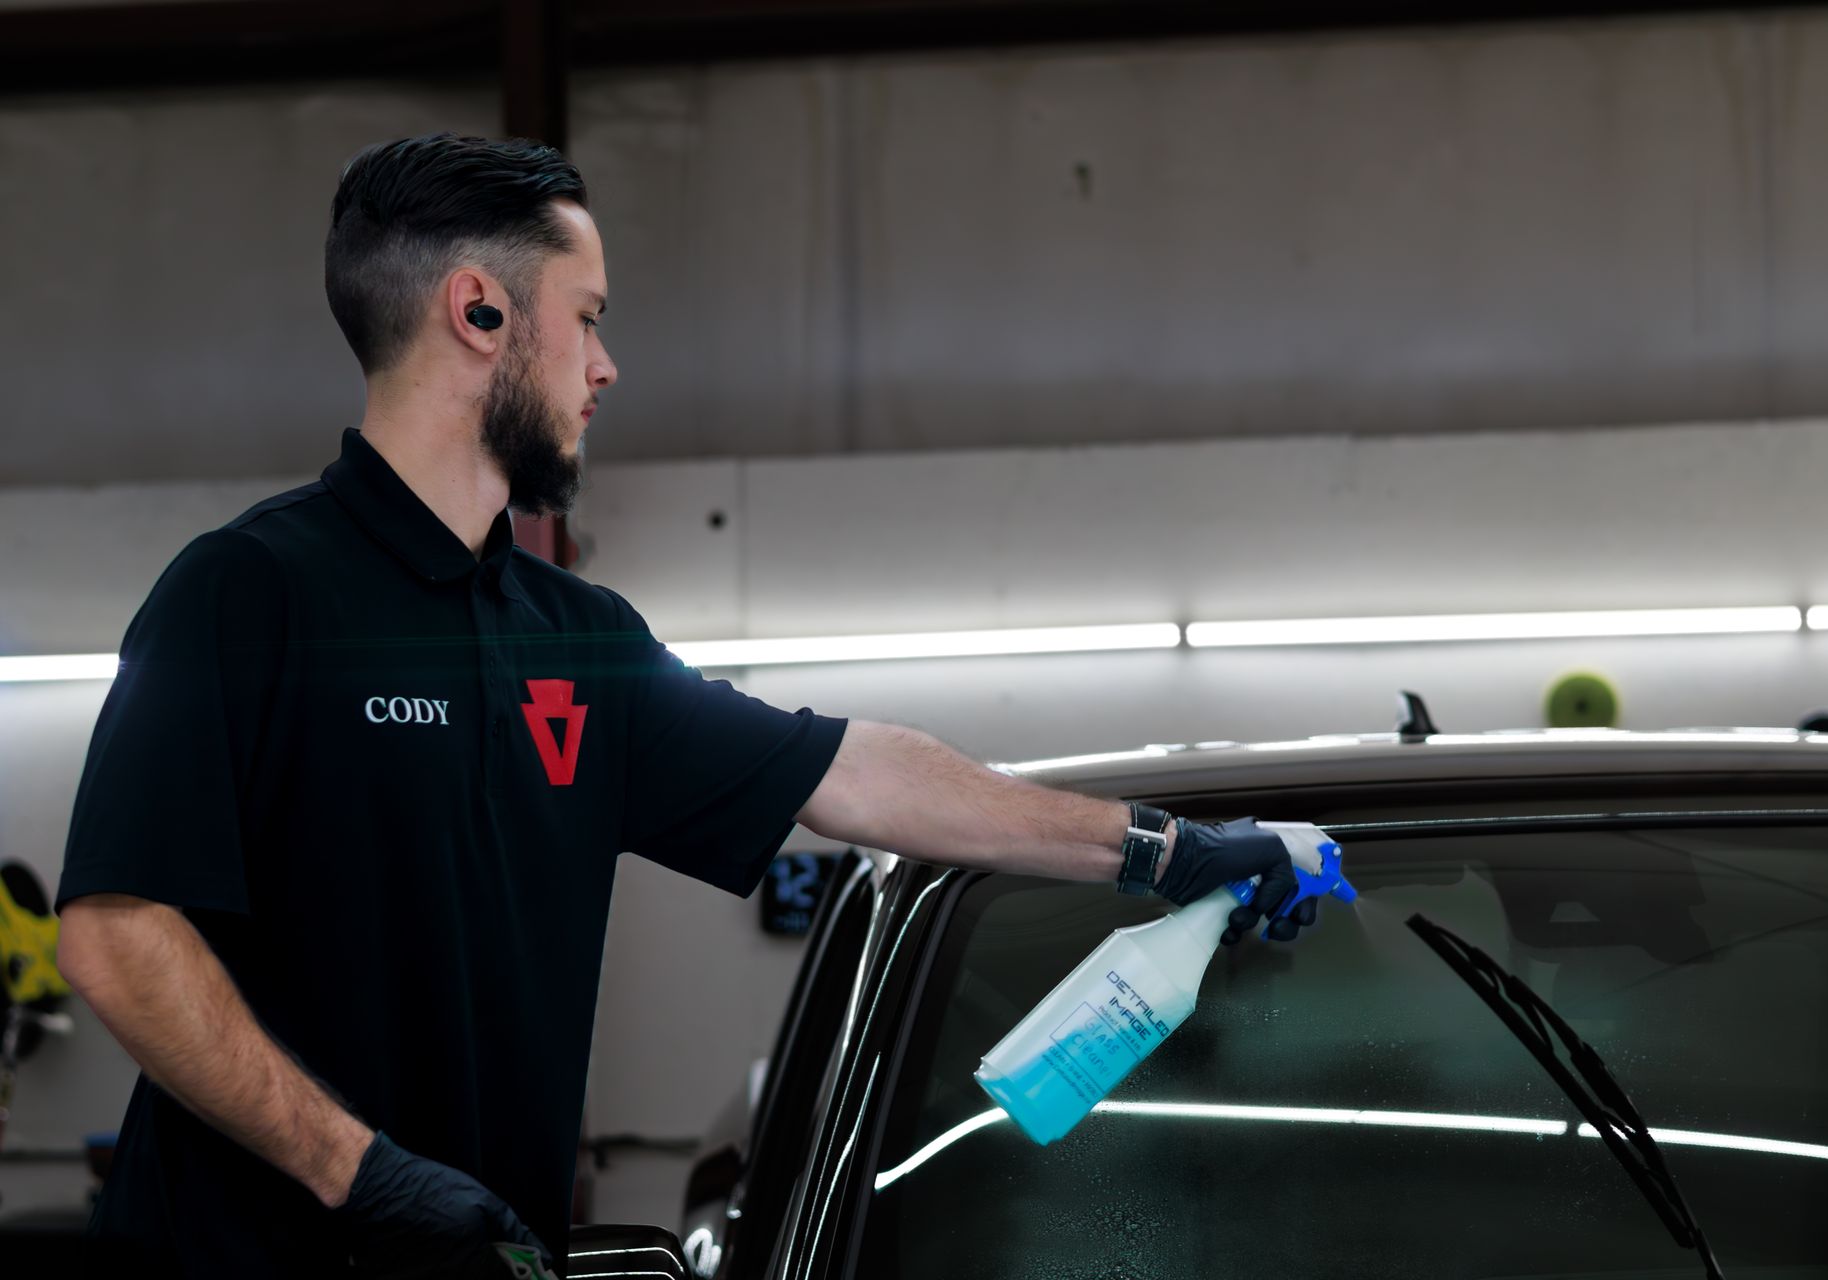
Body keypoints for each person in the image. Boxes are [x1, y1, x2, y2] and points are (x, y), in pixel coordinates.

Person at [52, 133, 1321, 1278]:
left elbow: (852, 774)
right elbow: (115, 932)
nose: (607, 365)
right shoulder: (248, 593)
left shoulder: (578, 640)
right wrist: (358, 1169)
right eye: (589, 317)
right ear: (481, 310)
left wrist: (1154, 846)